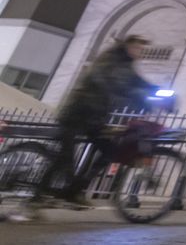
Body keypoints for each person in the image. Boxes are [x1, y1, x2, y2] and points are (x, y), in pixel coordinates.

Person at [32, 35, 154, 209]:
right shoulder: (110, 59)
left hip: (94, 116)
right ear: (126, 46)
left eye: (141, 49)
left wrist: (160, 92)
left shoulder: (126, 65)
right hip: (77, 112)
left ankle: (75, 190)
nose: (139, 52)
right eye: (136, 48)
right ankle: (37, 198)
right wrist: (138, 96)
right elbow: (112, 83)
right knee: (64, 156)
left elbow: (138, 82)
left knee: (109, 151)